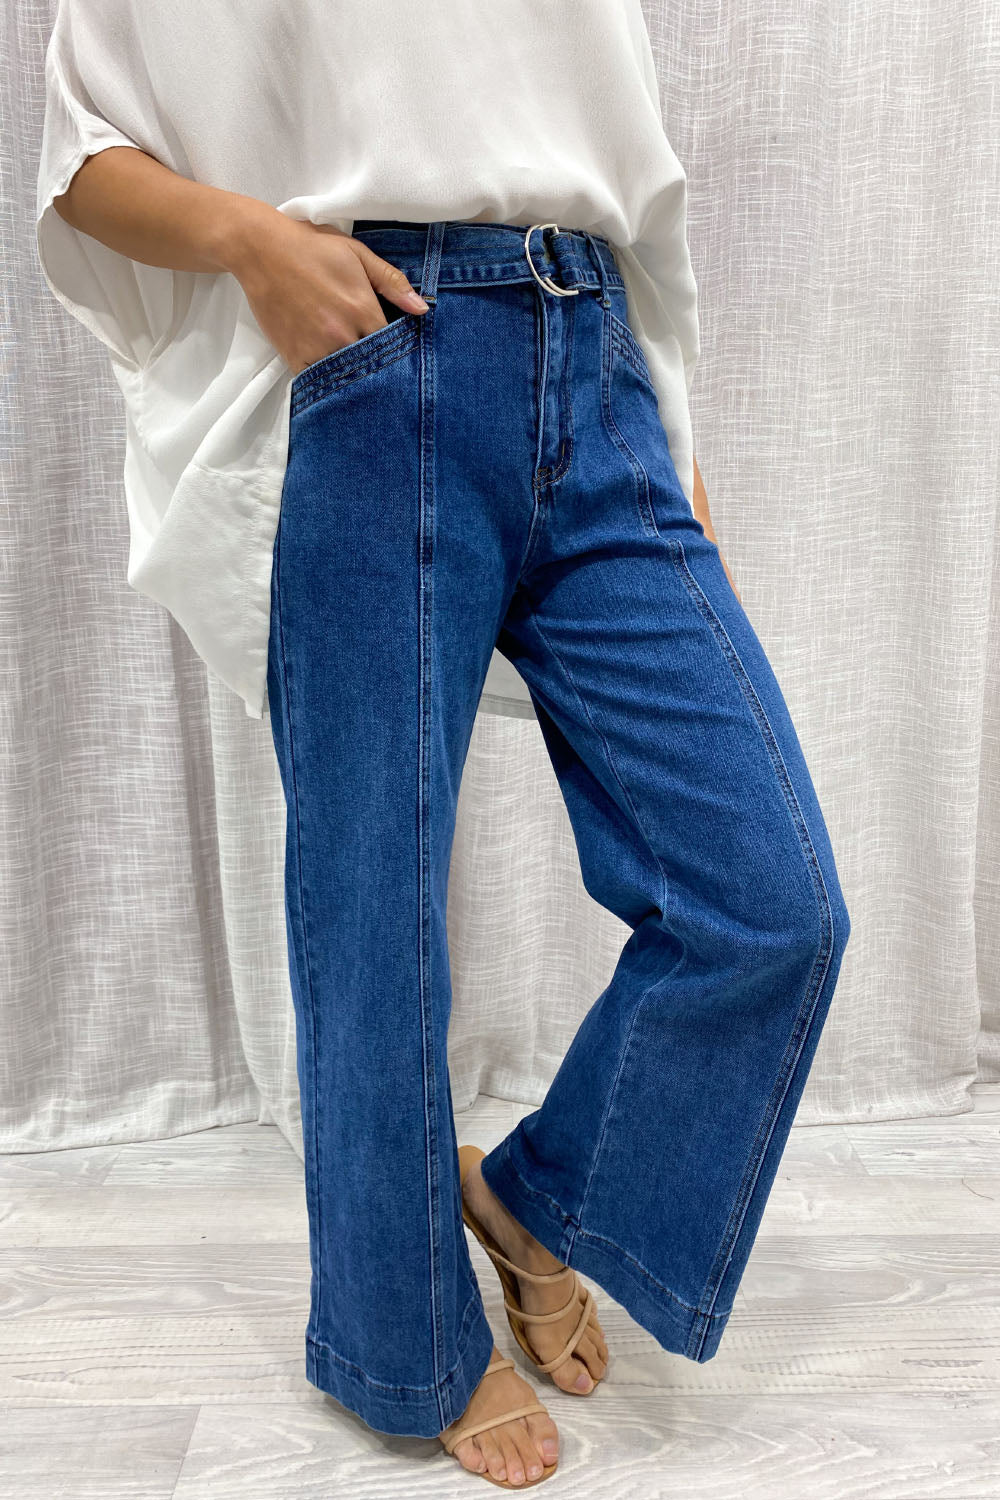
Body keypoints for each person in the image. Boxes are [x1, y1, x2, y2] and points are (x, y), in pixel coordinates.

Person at [35, 0, 852, 1487]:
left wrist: (673, 428)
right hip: (380, 350)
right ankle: (399, 1343)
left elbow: (625, 166)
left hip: (599, 365)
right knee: (375, 918)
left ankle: (538, 1199)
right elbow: (79, 156)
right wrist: (252, 243)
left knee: (771, 901)